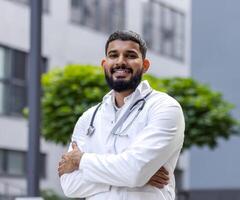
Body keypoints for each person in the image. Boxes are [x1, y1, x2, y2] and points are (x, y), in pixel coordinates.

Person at [58, 30, 185, 200]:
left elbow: (134, 171)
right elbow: (70, 186)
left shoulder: (163, 107)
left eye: (130, 55)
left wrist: (81, 160)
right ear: (104, 64)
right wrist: (137, 177)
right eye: (113, 55)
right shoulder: (88, 118)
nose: (120, 62)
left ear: (145, 65)